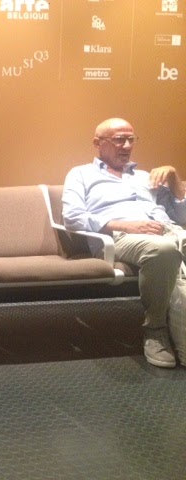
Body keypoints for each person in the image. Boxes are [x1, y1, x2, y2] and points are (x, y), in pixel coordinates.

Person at [62, 117, 186, 368]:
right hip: (117, 238)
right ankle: (155, 330)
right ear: (98, 143)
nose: (127, 145)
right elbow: (72, 218)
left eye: (131, 139)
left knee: (168, 247)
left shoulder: (146, 177)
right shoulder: (80, 174)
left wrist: (175, 181)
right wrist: (124, 225)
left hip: (168, 231)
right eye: (119, 139)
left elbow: (181, 218)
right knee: (163, 250)